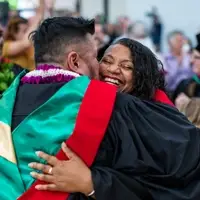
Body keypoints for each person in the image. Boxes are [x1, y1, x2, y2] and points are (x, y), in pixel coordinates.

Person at [0, 17, 200, 200]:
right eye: (99, 58)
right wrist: (94, 183)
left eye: (127, 66)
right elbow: (187, 161)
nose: (105, 69)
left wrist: (91, 182)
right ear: (75, 61)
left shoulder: (4, 107)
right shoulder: (113, 107)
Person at [2, 0, 45, 71]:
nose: (28, 33)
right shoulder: (5, 46)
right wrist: (38, 17)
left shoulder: (30, 46)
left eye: (28, 30)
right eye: (25, 31)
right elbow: (25, 43)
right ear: (13, 32)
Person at [174, 33, 200, 127]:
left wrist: (189, 104)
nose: (191, 61)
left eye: (197, 57)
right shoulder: (185, 84)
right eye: (192, 56)